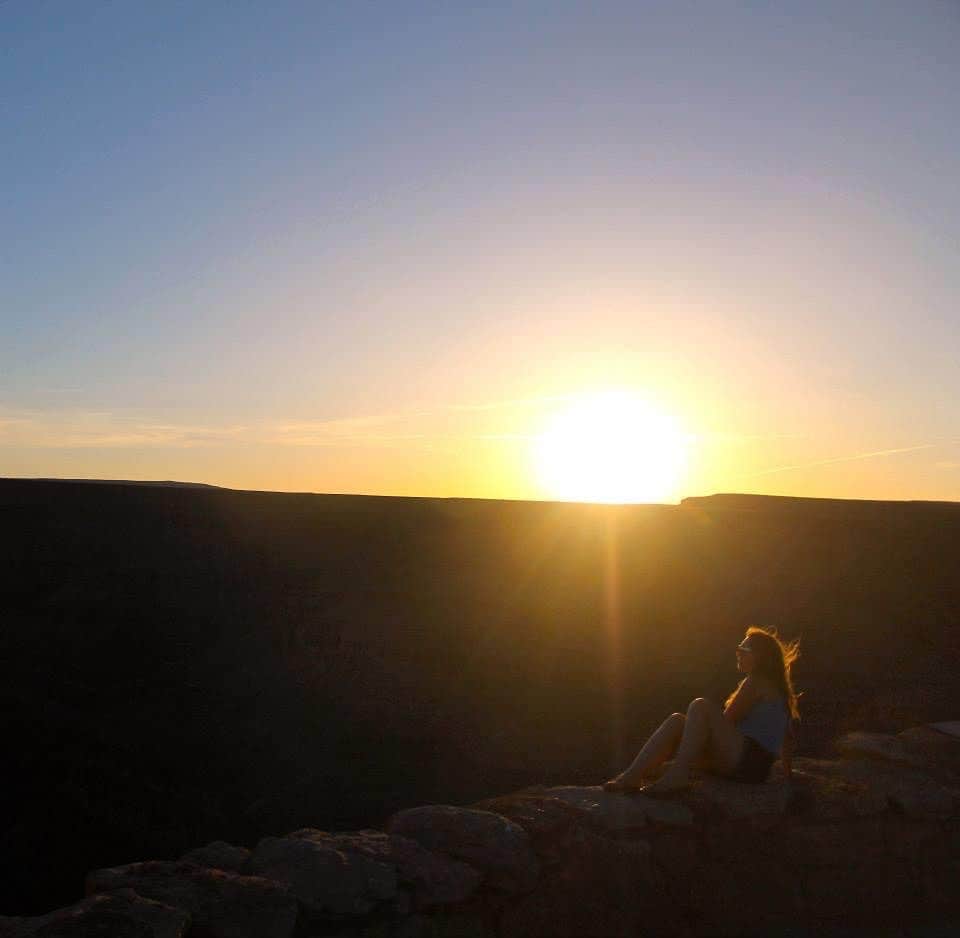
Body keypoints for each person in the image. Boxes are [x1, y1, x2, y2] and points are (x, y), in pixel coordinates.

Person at [603, 626, 800, 795]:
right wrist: (788, 775)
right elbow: (788, 737)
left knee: (700, 706)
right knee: (677, 720)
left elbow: (725, 721)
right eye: (739, 647)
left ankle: (674, 775)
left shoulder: (757, 682)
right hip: (754, 768)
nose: (738, 651)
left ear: (760, 656)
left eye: (744, 648)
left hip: (745, 761)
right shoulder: (779, 691)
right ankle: (633, 776)